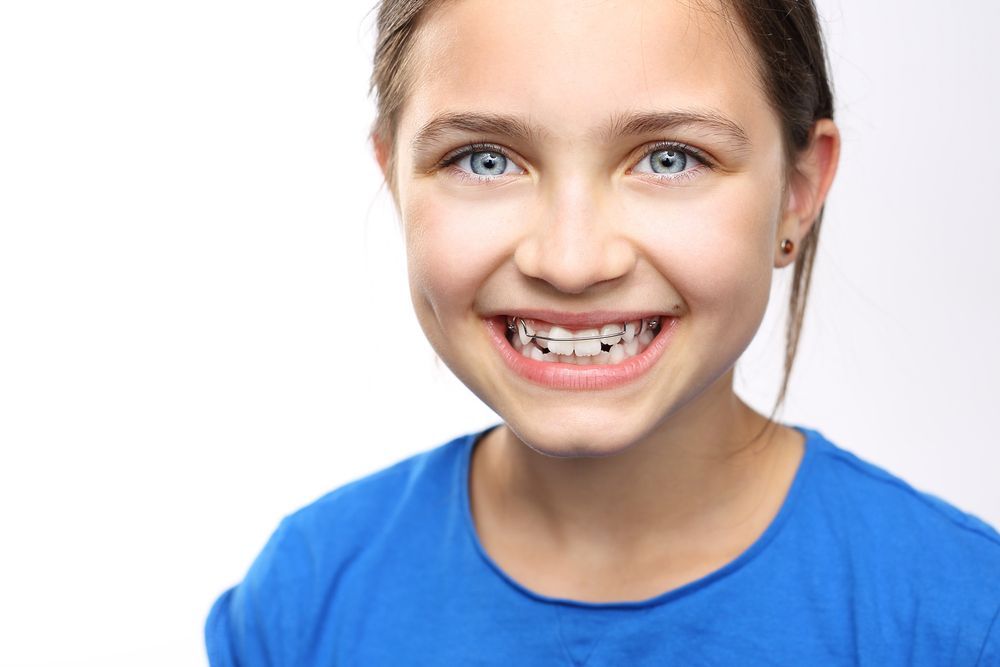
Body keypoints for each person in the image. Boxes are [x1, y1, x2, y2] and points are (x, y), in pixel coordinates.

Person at [205, 0, 1000, 664]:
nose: (572, 260)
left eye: (669, 158)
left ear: (796, 191)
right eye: (484, 159)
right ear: (394, 179)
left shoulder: (959, 617)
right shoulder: (305, 603)